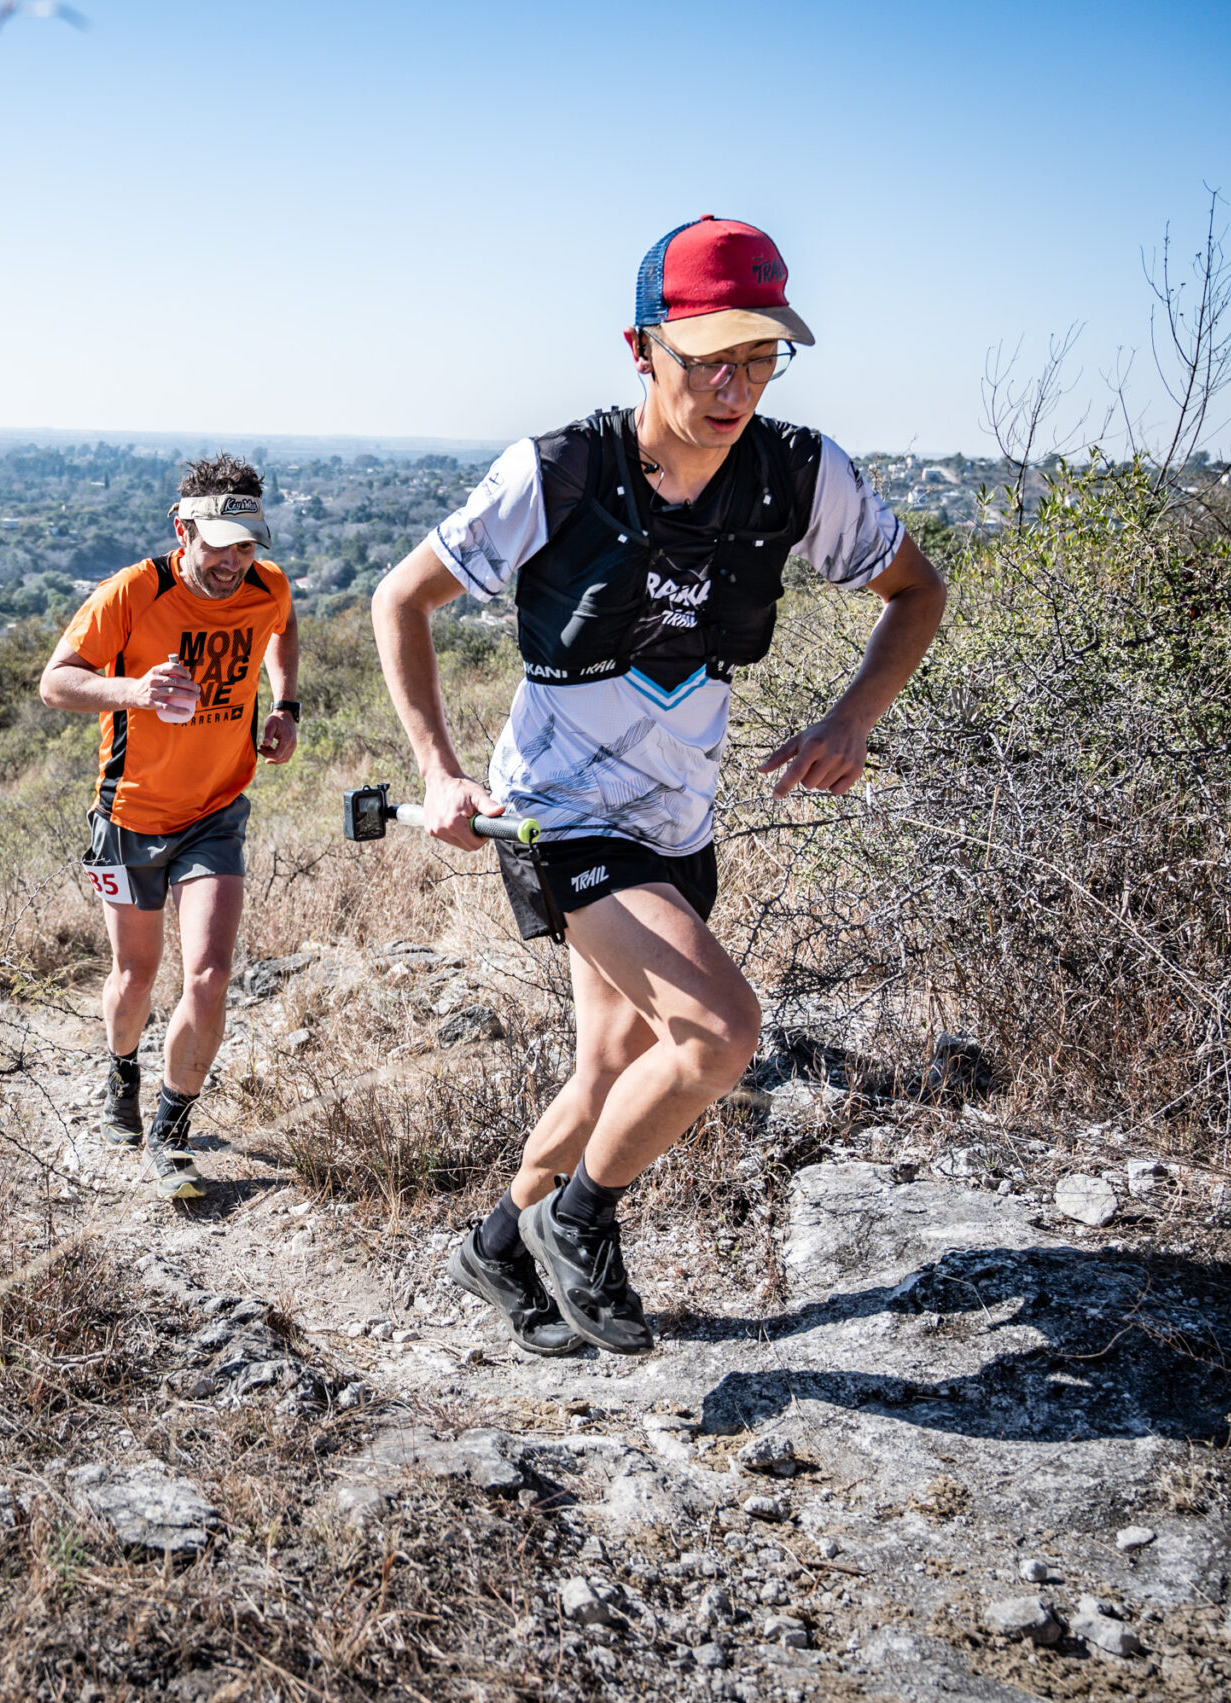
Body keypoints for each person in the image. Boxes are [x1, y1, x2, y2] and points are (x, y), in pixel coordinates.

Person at [371, 216, 948, 1355]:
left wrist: (852, 718)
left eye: (761, 358)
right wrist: (437, 772)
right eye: (707, 359)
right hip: (560, 810)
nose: (734, 388)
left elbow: (915, 591)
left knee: (613, 1067)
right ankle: (580, 1218)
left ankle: (494, 1245)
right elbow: (400, 600)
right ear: (642, 348)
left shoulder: (798, 473)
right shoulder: (555, 472)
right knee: (719, 1032)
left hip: (676, 817)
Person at [39, 455, 301, 1199]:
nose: (232, 561)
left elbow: (281, 628)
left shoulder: (267, 585)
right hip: (128, 816)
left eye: (246, 544)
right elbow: (56, 681)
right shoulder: (133, 592)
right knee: (134, 977)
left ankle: (171, 1131)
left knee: (210, 975)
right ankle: (120, 1073)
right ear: (181, 529)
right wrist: (136, 691)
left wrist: (285, 707)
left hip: (216, 811)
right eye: (217, 543)